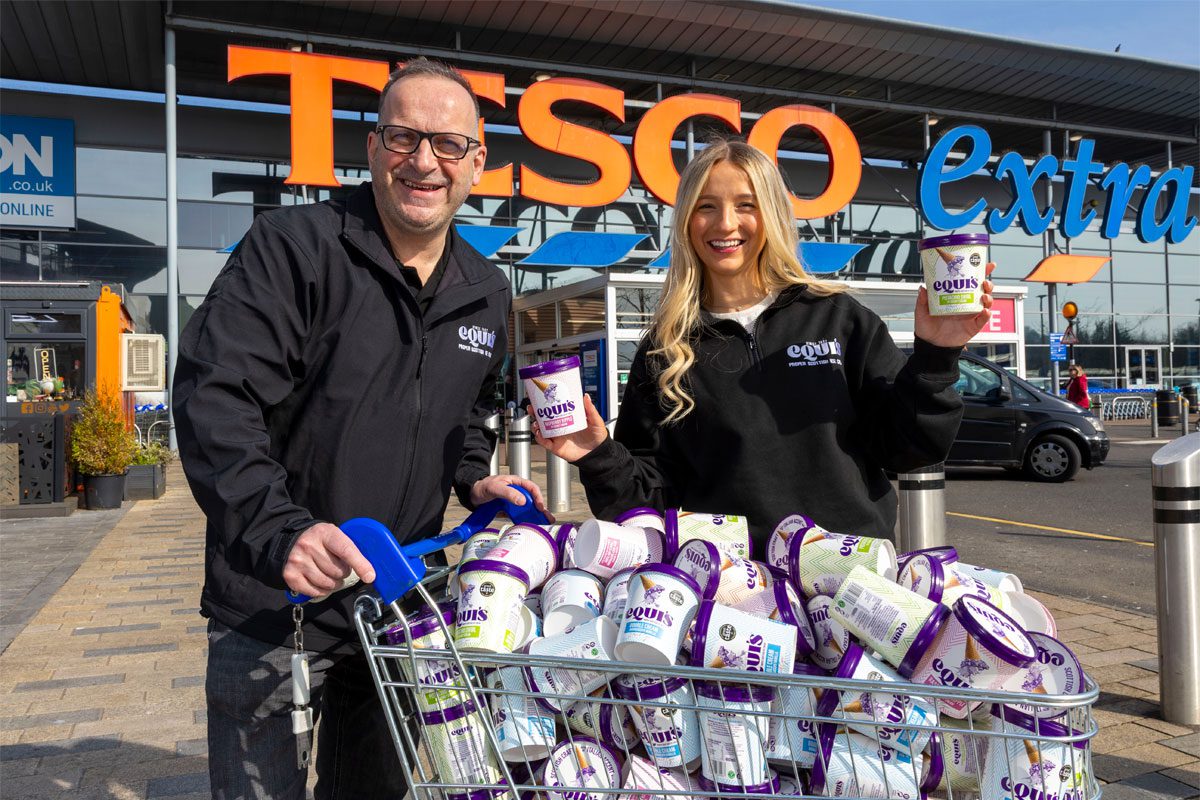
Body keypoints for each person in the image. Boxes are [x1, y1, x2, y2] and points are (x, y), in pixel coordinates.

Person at [174, 59, 547, 800]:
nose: (423, 161)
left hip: (390, 599)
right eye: (403, 137)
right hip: (272, 589)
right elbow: (216, 399)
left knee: (374, 788)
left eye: (446, 144)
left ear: (477, 162)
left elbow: (472, 413)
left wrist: (475, 475)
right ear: (373, 150)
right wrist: (283, 531)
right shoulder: (293, 248)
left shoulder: (484, 289)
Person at [536, 138, 996, 549]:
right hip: (733, 596)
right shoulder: (665, 350)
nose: (726, 223)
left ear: (772, 214)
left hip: (848, 589)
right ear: (687, 221)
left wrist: (936, 355)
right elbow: (648, 505)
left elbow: (909, 449)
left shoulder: (838, 318)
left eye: (746, 204)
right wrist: (596, 455)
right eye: (706, 206)